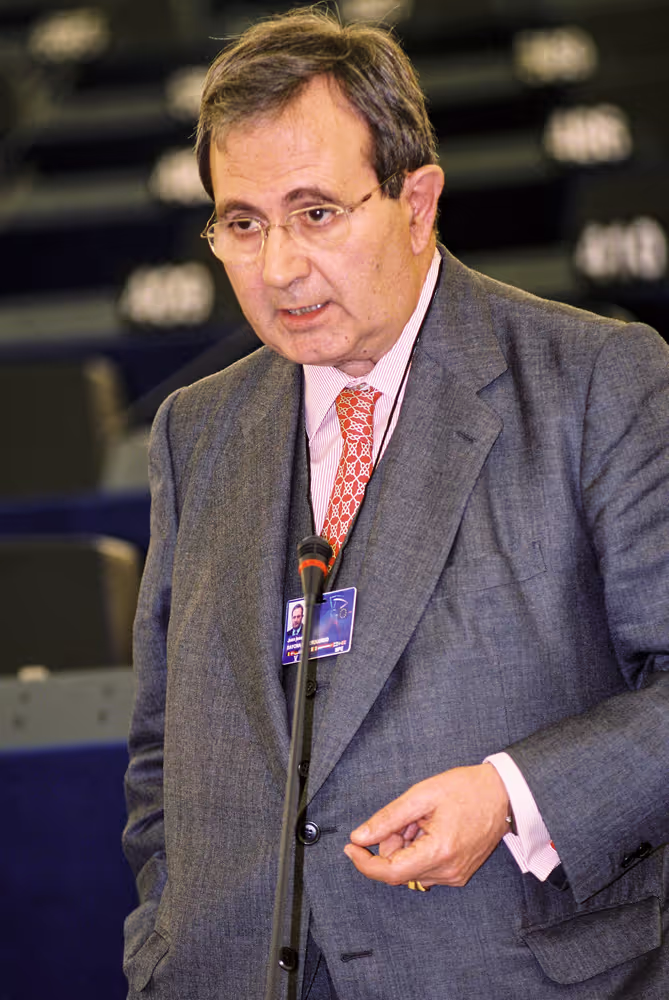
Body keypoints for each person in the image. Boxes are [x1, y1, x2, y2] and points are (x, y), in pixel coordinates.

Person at [122, 8, 669, 998]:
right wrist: (162, 949)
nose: (278, 266)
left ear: (416, 203)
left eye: (315, 213)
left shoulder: (598, 380)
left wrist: (514, 795)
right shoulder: (191, 432)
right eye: (242, 224)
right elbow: (164, 755)